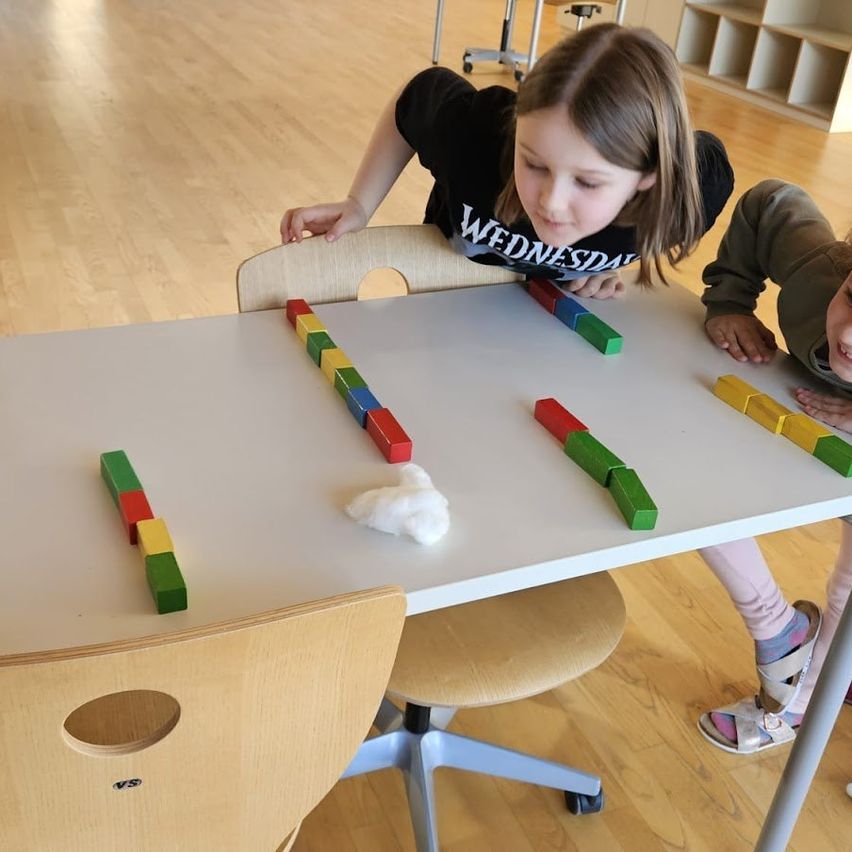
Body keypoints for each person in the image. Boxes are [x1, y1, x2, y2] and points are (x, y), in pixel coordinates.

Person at [281, 24, 734, 297]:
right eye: (534, 164)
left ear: (648, 177)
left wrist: (609, 264)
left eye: (588, 183)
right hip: (446, 294)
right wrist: (359, 204)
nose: (551, 202)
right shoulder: (475, 135)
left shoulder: (688, 192)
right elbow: (417, 93)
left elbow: (706, 166)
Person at [697, 178, 852, 754]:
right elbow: (770, 201)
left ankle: (800, 703)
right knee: (696, 486)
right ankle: (779, 629)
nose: (849, 335)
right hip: (800, 419)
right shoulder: (822, 269)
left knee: (848, 589)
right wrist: (730, 300)